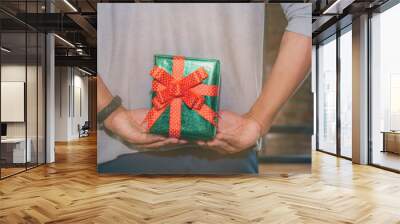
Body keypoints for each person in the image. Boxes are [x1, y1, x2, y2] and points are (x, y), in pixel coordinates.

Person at [97, 3, 312, 174]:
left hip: (228, 149)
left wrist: (111, 112)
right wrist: (258, 120)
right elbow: (309, 17)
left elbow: (306, 16)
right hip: (229, 148)